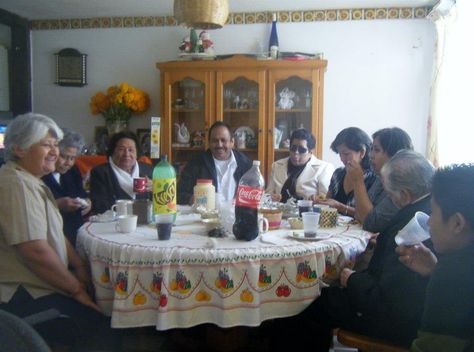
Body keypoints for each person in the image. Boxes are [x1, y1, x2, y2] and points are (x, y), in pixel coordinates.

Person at [277, 150, 435, 351]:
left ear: (404, 194)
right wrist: (384, 242)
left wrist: (351, 279)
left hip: (389, 320)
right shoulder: (428, 209)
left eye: (389, 193)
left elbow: (388, 299)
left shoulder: (414, 227)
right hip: (397, 308)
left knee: (301, 303)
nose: (388, 197)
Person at [0, 113, 119, 350]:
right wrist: (76, 290)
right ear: (18, 149)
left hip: (43, 282)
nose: (55, 151)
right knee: (104, 327)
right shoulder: (16, 184)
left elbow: (53, 231)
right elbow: (34, 251)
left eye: (56, 144)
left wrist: (79, 266)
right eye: (46, 144)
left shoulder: (32, 180)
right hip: (26, 292)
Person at [396, 164, 474, 352]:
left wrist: (441, 274)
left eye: (433, 212)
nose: (429, 222)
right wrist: (434, 270)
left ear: (457, 223)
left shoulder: (453, 272)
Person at [351, 127, 413, 233]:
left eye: (377, 150)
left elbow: (371, 223)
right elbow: (359, 213)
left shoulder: (401, 184)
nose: (370, 155)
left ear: (394, 154)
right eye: (371, 149)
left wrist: (358, 181)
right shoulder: (380, 177)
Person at [177, 121, 252, 205]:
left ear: (232, 142)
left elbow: (254, 194)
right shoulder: (196, 163)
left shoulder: (245, 164)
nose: (219, 145)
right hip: (205, 215)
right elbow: (179, 194)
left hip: (236, 215)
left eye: (223, 140)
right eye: (215, 141)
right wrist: (193, 199)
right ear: (209, 143)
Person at [42, 130, 90, 245]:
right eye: (64, 156)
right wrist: (57, 204)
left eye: (72, 158)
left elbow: (82, 194)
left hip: (76, 231)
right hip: (51, 235)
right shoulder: (41, 174)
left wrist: (88, 202)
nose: (68, 163)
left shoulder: (73, 171)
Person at [316, 127, 376, 217]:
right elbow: (328, 202)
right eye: (339, 154)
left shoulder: (373, 178)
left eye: (346, 154)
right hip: (336, 229)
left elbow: (370, 216)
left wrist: (340, 207)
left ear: (362, 152)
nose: (341, 159)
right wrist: (319, 200)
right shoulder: (338, 174)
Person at [90, 131, 153, 214]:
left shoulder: (147, 170)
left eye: (131, 150)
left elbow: (161, 202)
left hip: (145, 220)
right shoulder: (100, 173)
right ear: (112, 152)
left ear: (137, 153)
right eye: (121, 149)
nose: (126, 154)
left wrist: (155, 189)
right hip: (113, 223)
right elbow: (99, 207)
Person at [266, 129, 334, 203]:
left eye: (302, 150)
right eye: (293, 148)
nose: (296, 153)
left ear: (311, 151)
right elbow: (268, 195)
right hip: (279, 211)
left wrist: (316, 199)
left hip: (307, 212)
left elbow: (327, 200)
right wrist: (271, 198)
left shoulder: (323, 168)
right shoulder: (276, 166)